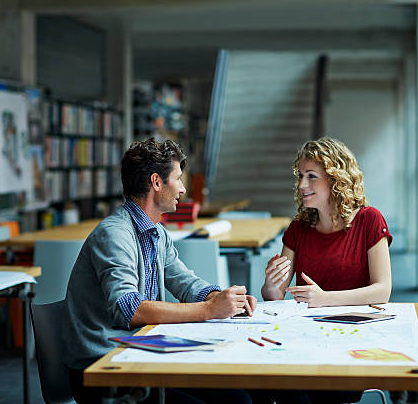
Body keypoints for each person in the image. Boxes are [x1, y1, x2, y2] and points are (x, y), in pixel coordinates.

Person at [62, 138, 256, 404]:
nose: (183, 189)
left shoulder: (157, 233)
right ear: (156, 182)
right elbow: (128, 309)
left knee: (239, 397)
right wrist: (210, 310)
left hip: (142, 353)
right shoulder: (114, 234)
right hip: (107, 367)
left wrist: (222, 299)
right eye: (177, 179)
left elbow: (185, 282)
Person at [258, 137, 392, 404]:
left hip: (350, 343)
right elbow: (275, 296)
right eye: (300, 176)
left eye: (311, 176)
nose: (301, 185)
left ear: (335, 178)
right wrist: (271, 286)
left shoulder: (369, 220)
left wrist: (324, 299)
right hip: (304, 340)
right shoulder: (298, 227)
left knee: (295, 389)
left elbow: (382, 291)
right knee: (268, 385)